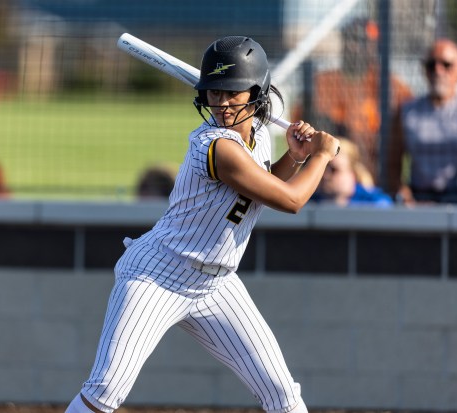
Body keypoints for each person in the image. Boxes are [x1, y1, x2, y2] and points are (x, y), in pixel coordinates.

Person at [64, 36, 340, 413]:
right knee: (106, 389)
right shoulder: (215, 146)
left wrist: (293, 157)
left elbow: (263, 183)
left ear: (256, 91)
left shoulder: (258, 135)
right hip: (158, 275)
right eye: (213, 93)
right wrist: (321, 158)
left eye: (232, 92)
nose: (222, 104)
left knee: (282, 392)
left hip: (215, 284)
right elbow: (290, 201)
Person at [312, 17, 413, 179]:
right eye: (349, 39)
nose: (353, 46)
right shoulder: (322, 82)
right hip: (329, 175)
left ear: (373, 46)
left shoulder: (391, 85)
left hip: (377, 177)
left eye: (360, 41)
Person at [386, 39, 457, 205]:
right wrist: (403, 195)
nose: (438, 71)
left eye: (446, 65)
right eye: (431, 65)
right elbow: (393, 163)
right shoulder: (407, 111)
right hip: (419, 199)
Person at [311, 138, 392, 207]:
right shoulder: (308, 200)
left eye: (333, 169)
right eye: (322, 168)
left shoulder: (373, 203)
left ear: (352, 173)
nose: (325, 175)